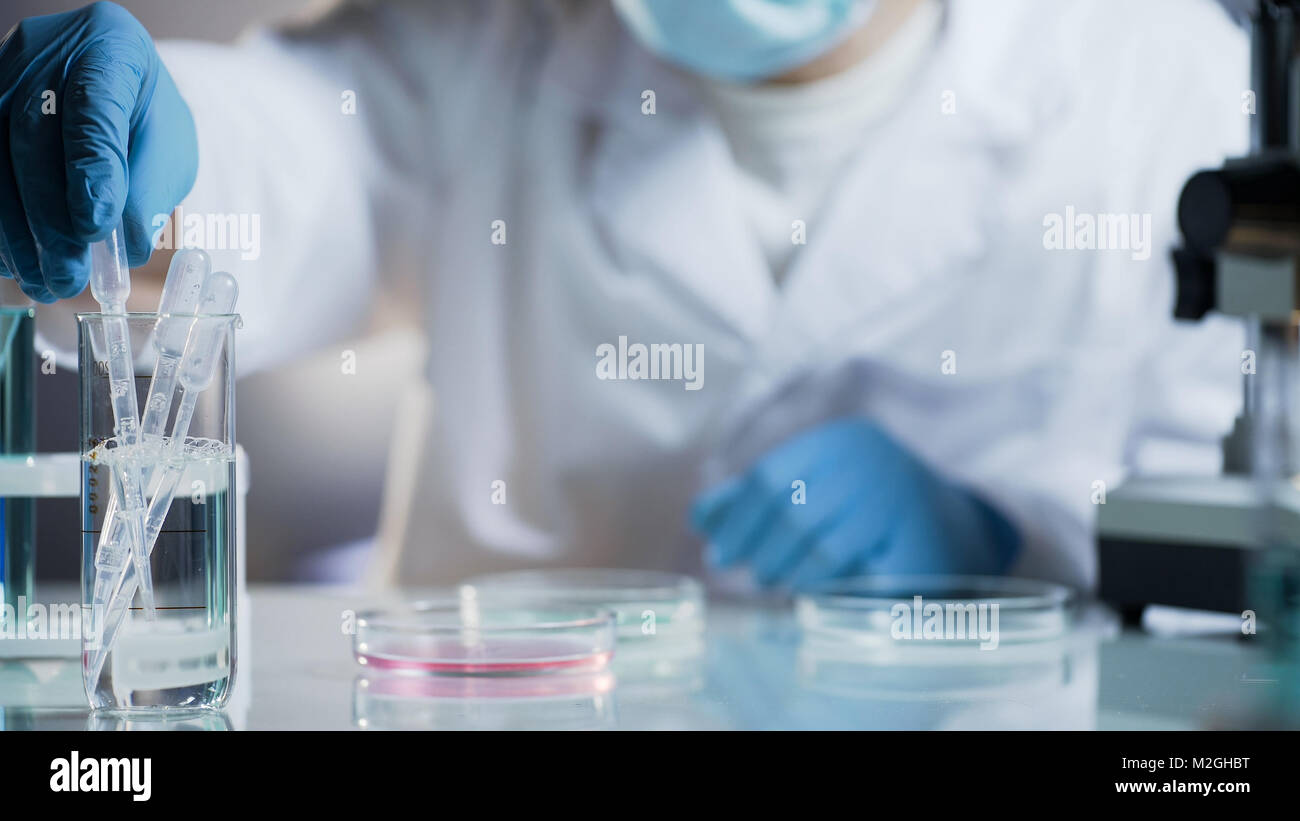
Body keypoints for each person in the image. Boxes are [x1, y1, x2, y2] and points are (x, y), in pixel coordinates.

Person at [0, 0, 1247, 590]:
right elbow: (299, 157)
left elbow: (1239, 554)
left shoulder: (1164, 77)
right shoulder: (501, 39)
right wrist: (120, 153)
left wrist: (1010, 538)